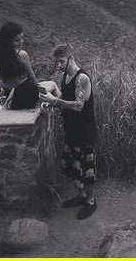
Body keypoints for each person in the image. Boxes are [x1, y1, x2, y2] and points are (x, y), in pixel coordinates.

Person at [38, 43, 98, 220]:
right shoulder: (66, 76)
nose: (59, 65)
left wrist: (55, 102)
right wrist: (52, 101)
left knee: (86, 168)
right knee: (73, 165)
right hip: (72, 128)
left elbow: (79, 105)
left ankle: (91, 201)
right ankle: (82, 196)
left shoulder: (82, 78)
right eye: (57, 62)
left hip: (84, 131)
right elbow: (67, 97)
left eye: (62, 61)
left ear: (71, 58)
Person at [0, 22, 60, 110]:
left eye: (22, 39)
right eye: (17, 40)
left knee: (44, 90)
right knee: (53, 85)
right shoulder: (21, 54)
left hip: (10, 97)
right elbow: (32, 77)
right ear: (7, 40)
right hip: (27, 95)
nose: (21, 42)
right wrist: (38, 87)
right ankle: (63, 111)